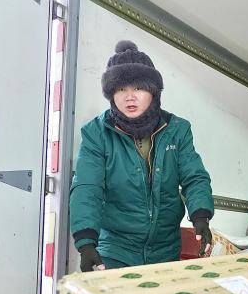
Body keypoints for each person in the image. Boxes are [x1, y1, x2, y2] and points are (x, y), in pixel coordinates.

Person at [70, 40, 214, 271]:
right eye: (121, 89)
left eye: (138, 88)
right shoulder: (96, 133)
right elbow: (87, 187)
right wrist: (86, 242)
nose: (130, 97)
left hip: (166, 248)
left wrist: (201, 216)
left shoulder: (178, 129)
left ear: (153, 91)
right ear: (111, 94)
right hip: (116, 248)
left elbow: (194, 177)